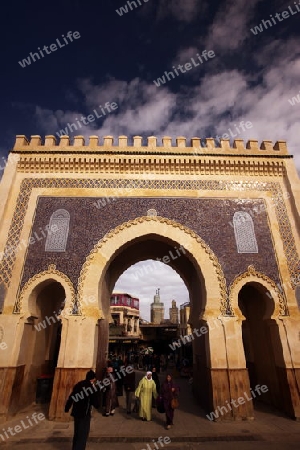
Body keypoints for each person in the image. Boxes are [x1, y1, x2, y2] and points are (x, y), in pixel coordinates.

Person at [65, 369, 99, 450]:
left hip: (76, 412)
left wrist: (67, 407)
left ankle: (75, 448)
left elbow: (71, 397)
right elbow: (96, 403)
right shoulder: (91, 387)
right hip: (85, 413)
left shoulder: (79, 384)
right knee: (83, 434)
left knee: (77, 433)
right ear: (93, 379)